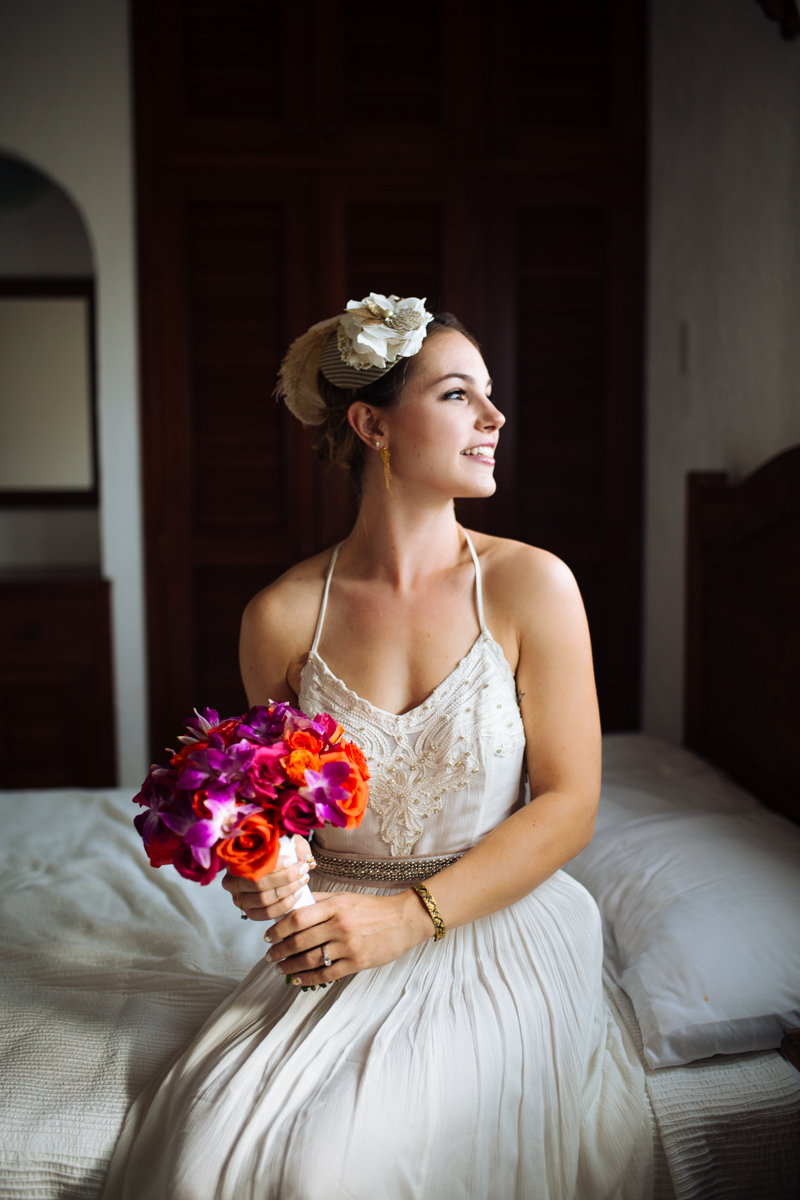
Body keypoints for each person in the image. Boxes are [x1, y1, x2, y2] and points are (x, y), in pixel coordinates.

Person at [103, 295, 652, 1199]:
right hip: (338, 932)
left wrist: (406, 919)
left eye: (489, 394)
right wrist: (260, 868)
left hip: (496, 921)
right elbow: (287, 821)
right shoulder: (281, 617)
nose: (494, 417)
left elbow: (569, 804)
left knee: (332, 1168)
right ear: (371, 424)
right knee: (206, 1161)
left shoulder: (531, 587)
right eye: (456, 395)